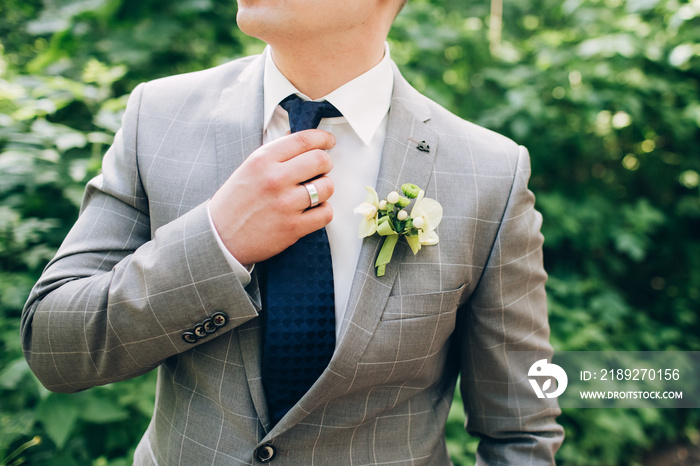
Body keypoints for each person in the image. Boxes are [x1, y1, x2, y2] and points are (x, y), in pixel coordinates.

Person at [21, 0, 564, 464]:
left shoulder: (489, 172)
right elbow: (54, 347)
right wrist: (218, 244)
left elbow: (521, 429)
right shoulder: (158, 117)